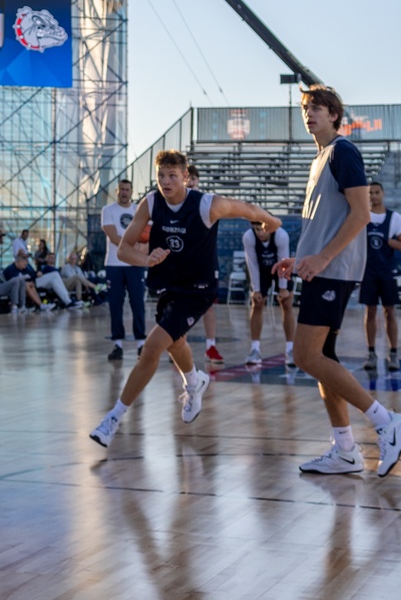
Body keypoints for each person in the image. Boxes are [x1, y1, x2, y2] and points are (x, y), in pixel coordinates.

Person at [90, 150, 281, 450]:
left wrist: (272, 222)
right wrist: (146, 259)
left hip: (199, 288)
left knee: (153, 347)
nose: (165, 182)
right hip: (168, 286)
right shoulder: (151, 202)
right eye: (161, 176)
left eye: (172, 176)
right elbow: (124, 249)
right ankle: (194, 381)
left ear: (185, 177)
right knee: (174, 342)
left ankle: (114, 418)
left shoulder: (206, 204)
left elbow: (247, 208)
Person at [273, 87, 401, 476]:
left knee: (306, 356)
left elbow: (362, 213)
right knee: (322, 360)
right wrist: (300, 260)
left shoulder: (343, 151)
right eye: (304, 108)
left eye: (316, 107)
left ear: (335, 115)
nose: (308, 113)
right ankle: (345, 449)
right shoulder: (320, 159)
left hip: (334, 270)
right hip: (319, 268)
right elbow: (326, 222)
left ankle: (387, 422)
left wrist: (324, 258)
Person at [361, 180, 401, 373]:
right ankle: (371, 353)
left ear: (383, 194)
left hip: (387, 273)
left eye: (377, 192)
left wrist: (389, 241)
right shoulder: (362, 217)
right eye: (370, 193)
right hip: (368, 272)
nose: (374, 196)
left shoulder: (394, 218)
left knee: (390, 312)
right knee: (370, 312)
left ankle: (393, 353)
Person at [100, 179, 145, 362]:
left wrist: (140, 249)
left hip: (135, 265)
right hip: (114, 263)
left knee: (137, 304)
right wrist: (135, 248)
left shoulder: (138, 210)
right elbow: (113, 236)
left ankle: (141, 343)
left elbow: (145, 234)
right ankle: (117, 344)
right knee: (116, 305)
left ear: (132, 191)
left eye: (127, 189)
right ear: (117, 191)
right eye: (121, 189)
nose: (124, 192)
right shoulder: (108, 210)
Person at [242, 221, 295, 368]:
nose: (261, 233)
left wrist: (283, 288)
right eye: (257, 229)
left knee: (286, 303)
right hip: (261, 269)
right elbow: (251, 263)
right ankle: (255, 349)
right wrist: (256, 289)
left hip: (280, 267)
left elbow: (283, 260)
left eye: (264, 229)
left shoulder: (281, 236)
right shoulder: (248, 237)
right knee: (257, 303)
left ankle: (290, 350)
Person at [188, 163, 224, 365]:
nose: (191, 181)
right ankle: (177, 344)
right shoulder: (172, 204)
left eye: (194, 178)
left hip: (205, 262)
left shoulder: (206, 202)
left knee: (208, 306)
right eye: (188, 177)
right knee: (179, 305)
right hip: (181, 263)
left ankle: (211, 346)